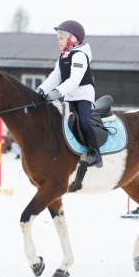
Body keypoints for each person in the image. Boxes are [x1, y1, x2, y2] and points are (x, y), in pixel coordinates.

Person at [35, 20, 102, 168]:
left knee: (84, 121)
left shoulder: (80, 55)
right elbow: (55, 77)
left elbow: (75, 80)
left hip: (83, 95)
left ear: (72, 38)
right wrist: (41, 90)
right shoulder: (63, 57)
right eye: (58, 39)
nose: (58, 42)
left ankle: (95, 153)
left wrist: (57, 92)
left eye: (61, 38)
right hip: (70, 96)